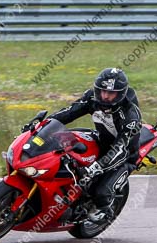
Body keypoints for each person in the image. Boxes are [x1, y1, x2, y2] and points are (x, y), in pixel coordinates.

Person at [49, 67, 142, 222]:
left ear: (120, 94)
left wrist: (96, 168)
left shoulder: (130, 116)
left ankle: (105, 210)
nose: (105, 96)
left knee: (101, 192)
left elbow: (121, 149)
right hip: (101, 140)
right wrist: (43, 124)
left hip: (124, 154)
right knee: (62, 143)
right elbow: (69, 112)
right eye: (102, 91)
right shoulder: (92, 97)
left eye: (110, 93)